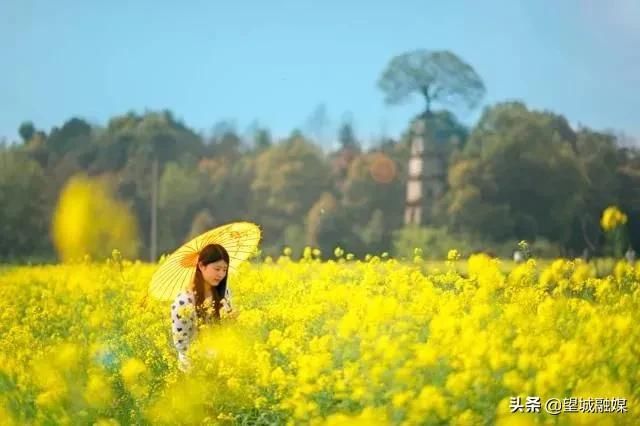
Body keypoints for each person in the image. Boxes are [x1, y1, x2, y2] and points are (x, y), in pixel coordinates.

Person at [170, 243, 234, 372]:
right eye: (217, 269)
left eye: (224, 269)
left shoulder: (224, 293)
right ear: (201, 266)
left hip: (221, 367)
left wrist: (231, 320)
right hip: (193, 371)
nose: (221, 274)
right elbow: (181, 344)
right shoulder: (184, 302)